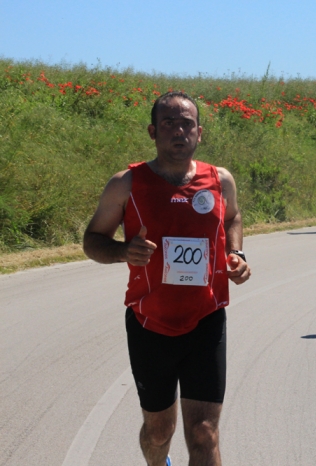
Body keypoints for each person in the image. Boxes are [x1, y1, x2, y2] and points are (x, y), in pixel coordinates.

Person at [83, 92, 251, 466]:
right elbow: (92, 241)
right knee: (159, 432)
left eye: (187, 124)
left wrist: (236, 254)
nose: (179, 131)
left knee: (204, 432)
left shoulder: (219, 180)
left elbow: (233, 219)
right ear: (152, 131)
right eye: (169, 124)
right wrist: (123, 251)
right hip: (149, 324)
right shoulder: (126, 183)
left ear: (200, 132)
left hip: (206, 319)